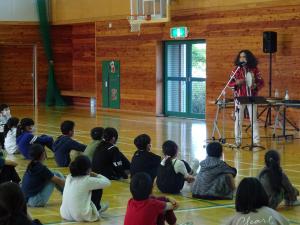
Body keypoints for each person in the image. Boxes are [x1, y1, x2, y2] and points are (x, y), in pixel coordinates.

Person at [228, 50, 264, 146]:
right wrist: (236, 83)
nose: (242, 58)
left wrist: (255, 85)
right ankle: (238, 141)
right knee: (238, 120)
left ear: (248, 58)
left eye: (244, 56)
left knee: (254, 120)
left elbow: (261, 82)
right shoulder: (236, 70)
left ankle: (256, 141)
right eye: (240, 57)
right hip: (239, 98)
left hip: (252, 98)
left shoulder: (254, 69)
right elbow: (229, 84)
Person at [60, 155, 111, 222]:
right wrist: (95, 174)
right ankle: (97, 208)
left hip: (65, 214)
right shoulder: (87, 180)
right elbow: (107, 182)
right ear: (88, 169)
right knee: (98, 187)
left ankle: (97, 207)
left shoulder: (68, 178)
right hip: (81, 216)